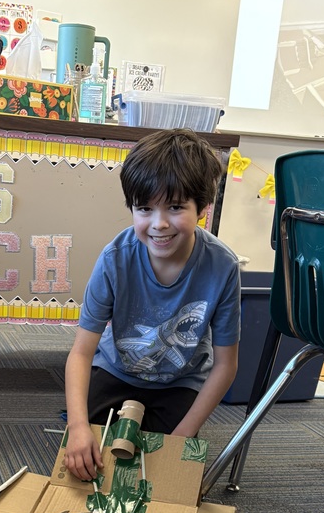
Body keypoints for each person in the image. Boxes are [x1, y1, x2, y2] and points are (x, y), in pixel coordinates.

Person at [63, 128, 241, 481]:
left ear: (202, 208)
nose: (159, 224)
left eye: (175, 207)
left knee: (164, 475)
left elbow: (226, 365)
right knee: (88, 460)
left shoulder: (223, 267)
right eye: (145, 208)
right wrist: (78, 425)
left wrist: (183, 434)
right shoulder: (114, 259)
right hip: (117, 370)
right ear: (132, 207)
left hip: (181, 381)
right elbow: (81, 353)